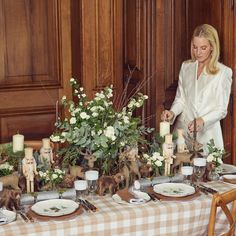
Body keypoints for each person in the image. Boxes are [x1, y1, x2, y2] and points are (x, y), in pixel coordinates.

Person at [161, 24, 232, 153]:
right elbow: (181, 99)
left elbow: (221, 109)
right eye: (195, 47)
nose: (198, 52)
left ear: (212, 47)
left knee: (206, 172)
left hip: (207, 136)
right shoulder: (186, 67)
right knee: (177, 170)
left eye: (203, 48)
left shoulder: (223, 72)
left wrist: (202, 120)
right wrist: (172, 113)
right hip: (182, 134)